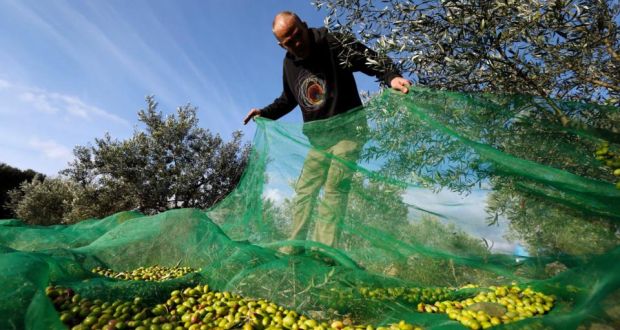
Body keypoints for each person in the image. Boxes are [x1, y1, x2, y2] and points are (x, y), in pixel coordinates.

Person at [243, 11, 410, 255]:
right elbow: (288, 99)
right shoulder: (289, 63)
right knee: (305, 191)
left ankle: (322, 251)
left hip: (349, 132)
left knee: (334, 187)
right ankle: (294, 248)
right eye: (288, 41)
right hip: (320, 139)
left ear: (304, 24)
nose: (296, 43)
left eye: (297, 34)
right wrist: (265, 113)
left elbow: (370, 60)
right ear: (281, 45)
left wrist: (392, 76)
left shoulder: (333, 42)